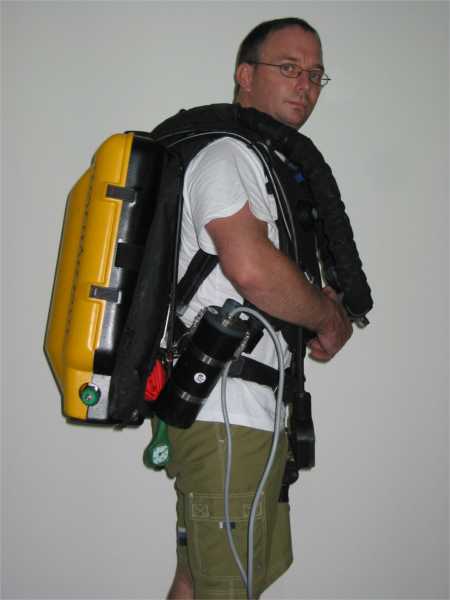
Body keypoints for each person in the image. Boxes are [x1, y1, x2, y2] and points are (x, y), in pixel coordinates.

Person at [163, 17, 353, 599]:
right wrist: (326, 316)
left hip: (237, 412)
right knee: (227, 588)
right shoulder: (229, 154)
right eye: (289, 68)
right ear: (245, 75)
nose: (305, 85)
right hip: (229, 412)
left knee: (200, 581)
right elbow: (250, 268)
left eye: (315, 74)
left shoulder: (261, 162)